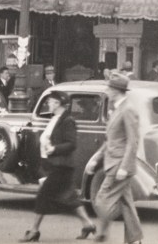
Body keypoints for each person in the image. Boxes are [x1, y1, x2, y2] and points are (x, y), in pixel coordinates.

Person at [18, 91, 96, 242]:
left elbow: (71, 144)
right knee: (70, 197)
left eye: (51, 101)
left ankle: (34, 231)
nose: (48, 103)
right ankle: (88, 225)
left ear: (58, 103)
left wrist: (54, 149)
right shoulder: (55, 118)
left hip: (62, 166)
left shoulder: (67, 120)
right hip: (55, 165)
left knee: (43, 196)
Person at [85, 74, 142, 244]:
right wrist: (96, 158)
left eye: (110, 88)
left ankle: (101, 234)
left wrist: (124, 167)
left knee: (102, 200)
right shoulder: (117, 109)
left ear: (117, 91)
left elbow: (133, 141)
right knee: (126, 204)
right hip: (112, 162)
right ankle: (135, 239)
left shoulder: (127, 110)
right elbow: (110, 139)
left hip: (119, 165)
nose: (107, 91)